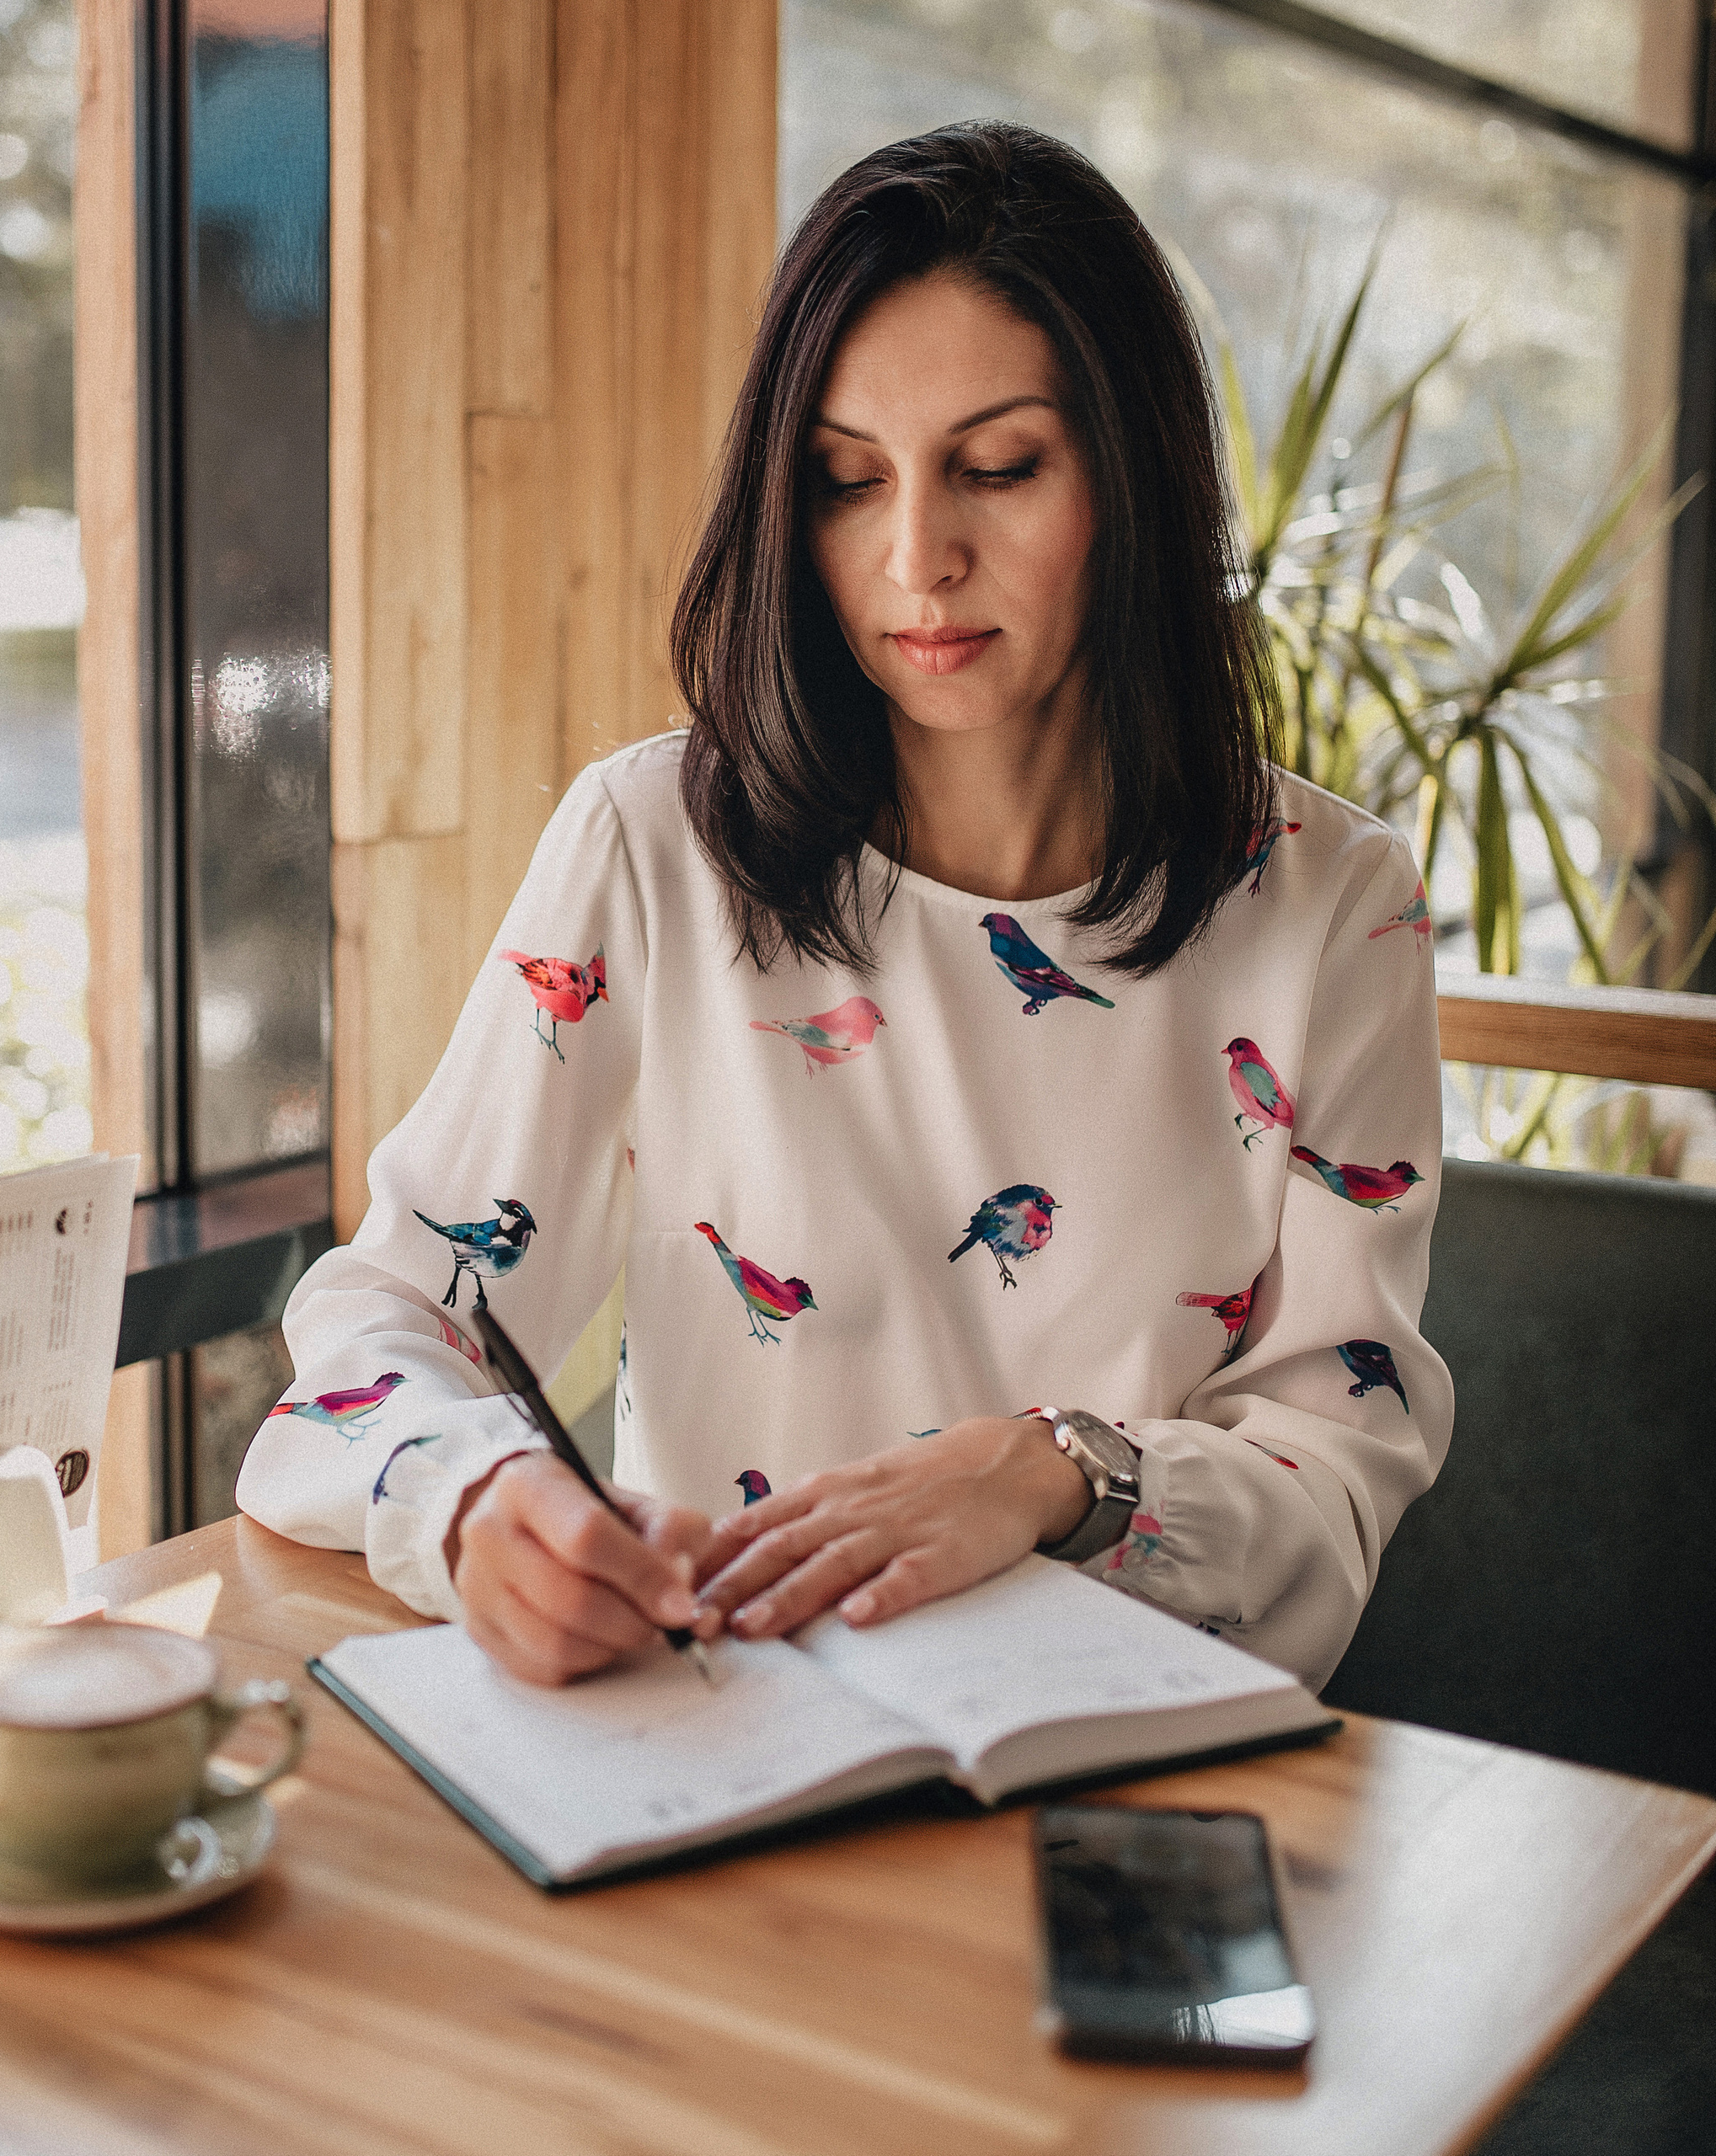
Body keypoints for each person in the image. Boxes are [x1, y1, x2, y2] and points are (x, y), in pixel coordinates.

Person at [236, 120, 1449, 1694]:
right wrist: (476, 1500)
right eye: (845, 479)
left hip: (1119, 1769)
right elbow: (389, 1315)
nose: (915, 557)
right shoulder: (653, 845)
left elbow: (1335, 1481)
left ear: (1133, 475)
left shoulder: (1332, 909)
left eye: (1000, 468)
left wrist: (1055, 1473)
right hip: (719, 1755)